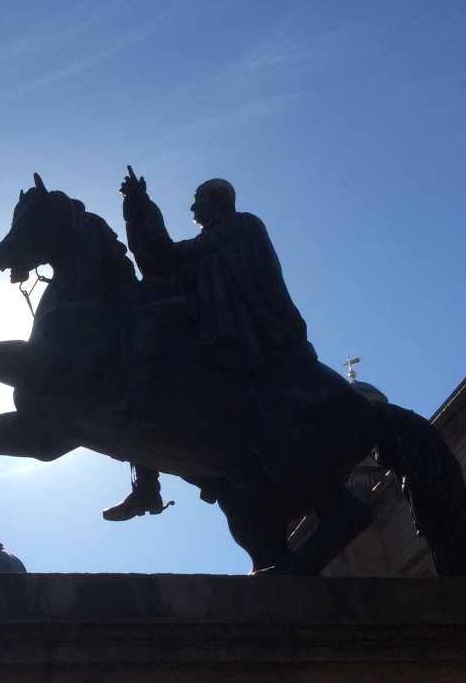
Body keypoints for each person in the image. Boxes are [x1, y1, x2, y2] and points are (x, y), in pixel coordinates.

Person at [103, 168, 317, 521]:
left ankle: (137, 402)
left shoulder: (239, 226)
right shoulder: (220, 235)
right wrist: (138, 206)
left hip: (231, 316)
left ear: (215, 202)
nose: (191, 207)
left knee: (146, 318)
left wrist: (145, 208)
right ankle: (146, 481)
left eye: (197, 200)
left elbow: (171, 256)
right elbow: (169, 262)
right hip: (213, 308)